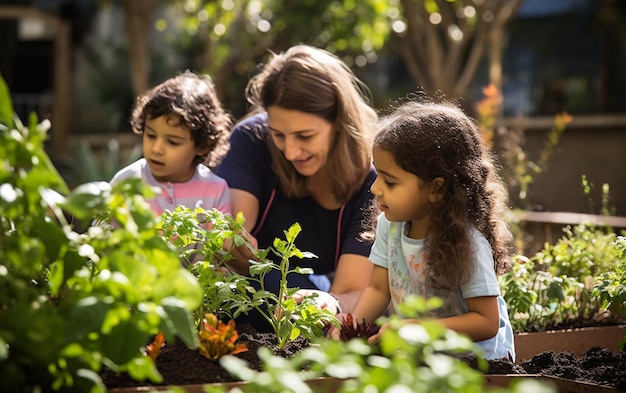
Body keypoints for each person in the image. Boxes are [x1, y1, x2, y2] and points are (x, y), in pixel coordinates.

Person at [335, 98, 516, 361]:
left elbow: (486, 322)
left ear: (436, 189)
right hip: (421, 357)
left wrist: (420, 330)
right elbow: (377, 289)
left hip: (477, 364)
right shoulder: (390, 224)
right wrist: (352, 330)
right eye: (378, 176)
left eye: (390, 181)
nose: (375, 189)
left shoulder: (467, 242)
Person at [215, 45, 379, 328]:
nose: (290, 152)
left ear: (338, 122)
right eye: (278, 134)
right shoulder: (251, 141)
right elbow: (233, 232)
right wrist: (232, 241)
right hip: (248, 290)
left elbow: (354, 293)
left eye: (305, 136)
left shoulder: (370, 181)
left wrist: (329, 303)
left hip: (311, 301)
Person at [110, 71, 233, 217]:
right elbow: (103, 233)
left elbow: (222, 238)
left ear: (202, 146)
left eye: (172, 142)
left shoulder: (215, 191)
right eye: (150, 135)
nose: (156, 149)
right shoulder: (126, 182)